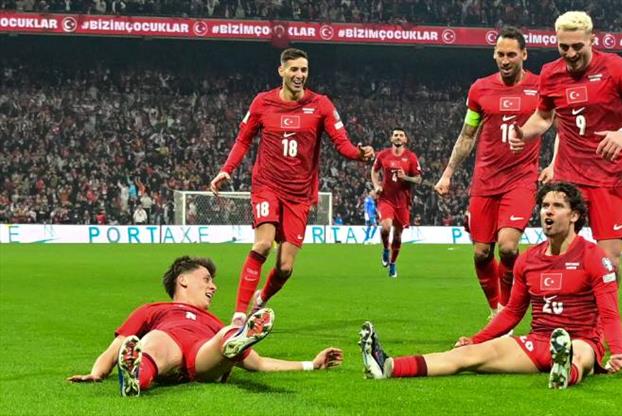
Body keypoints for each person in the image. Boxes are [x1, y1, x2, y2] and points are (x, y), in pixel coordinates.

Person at [359, 182, 622, 389]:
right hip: (537, 342)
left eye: (557, 206)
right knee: (466, 356)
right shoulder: (529, 260)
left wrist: (617, 351)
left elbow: (609, 312)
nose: (548, 211)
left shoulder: (593, 257)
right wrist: (475, 340)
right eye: (545, 205)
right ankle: (389, 366)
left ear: (574, 215)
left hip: (582, 340)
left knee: (578, 353)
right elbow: (512, 312)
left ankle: (565, 370)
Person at [209, 48, 374, 325]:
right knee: (263, 244)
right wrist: (226, 170)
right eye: (294, 69)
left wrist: (360, 154)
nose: (299, 75)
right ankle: (238, 315)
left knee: (285, 267)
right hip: (267, 185)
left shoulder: (321, 105)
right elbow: (243, 139)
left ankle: (261, 299)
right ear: (282, 71)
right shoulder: (262, 102)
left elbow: (342, 144)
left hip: (299, 194)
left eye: (304, 70)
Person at [510, 11, 622, 281]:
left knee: (609, 262)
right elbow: (543, 118)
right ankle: (565, 306)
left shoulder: (617, 68)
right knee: (560, 252)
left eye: (577, 46)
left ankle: (606, 308)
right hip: (569, 177)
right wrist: (524, 133)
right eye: (563, 47)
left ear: (592, 40)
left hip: (610, 177)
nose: (570, 53)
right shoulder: (550, 73)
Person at [68, 256, 343, 397]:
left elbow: (258, 363)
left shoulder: (212, 321)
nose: (213, 287)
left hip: (202, 355)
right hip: (168, 343)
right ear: (183, 280)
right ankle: (135, 379)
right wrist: (97, 373)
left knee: (225, 334)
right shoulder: (153, 309)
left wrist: (311, 364)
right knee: (154, 340)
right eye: (207, 279)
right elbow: (118, 344)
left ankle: (235, 342)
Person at [434, 27, 542, 316]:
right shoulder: (480, 89)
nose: (505, 60)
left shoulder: (541, 87)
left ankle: (506, 311)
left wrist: (555, 163)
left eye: (511, 54)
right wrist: (448, 173)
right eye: (500, 54)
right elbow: (467, 134)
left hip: (521, 179)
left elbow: (559, 126)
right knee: (482, 253)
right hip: (485, 180)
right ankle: (495, 310)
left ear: (524, 54)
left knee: (507, 248)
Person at [371, 127, 422, 278]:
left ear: (405, 139)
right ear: (391, 138)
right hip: (386, 198)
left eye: (401, 135)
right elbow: (374, 171)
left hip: (403, 201)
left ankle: (393, 263)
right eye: (396, 135)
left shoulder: (411, 157)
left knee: (398, 236)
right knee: (386, 227)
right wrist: (376, 186)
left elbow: (418, 179)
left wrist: (405, 177)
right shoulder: (383, 155)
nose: (398, 137)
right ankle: (385, 249)